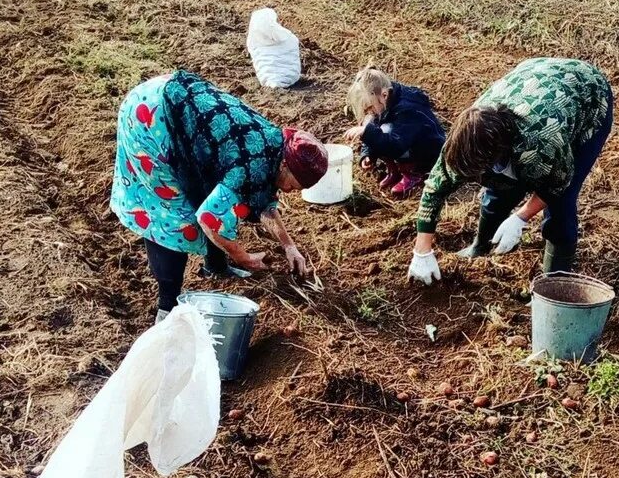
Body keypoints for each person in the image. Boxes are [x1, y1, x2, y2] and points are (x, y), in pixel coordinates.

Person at [110, 70, 328, 320]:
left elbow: (264, 203)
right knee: (174, 215)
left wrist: (289, 246)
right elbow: (210, 219)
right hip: (150, 118)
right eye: (295, 185)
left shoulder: (274, 145)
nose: (291, 191)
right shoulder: (251, 166)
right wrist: (242, 257)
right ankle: (166, 307)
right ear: (285, 166)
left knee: (208, 191)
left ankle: (216, 266)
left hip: (171, 99)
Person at [407, 58, 613, 285]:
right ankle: (481, 245)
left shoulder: (539, 142)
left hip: (587, 95)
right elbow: (434, 189)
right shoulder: (463, 141)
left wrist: (521, 217)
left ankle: (553, 282)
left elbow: (558, 183)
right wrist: (422, 252)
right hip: (533, 78)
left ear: (500, 152)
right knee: (497, 192)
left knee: (560, 208)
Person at [343, 66, 446, 199]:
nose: (370, 111)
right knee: (373, 126)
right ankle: (395, 170)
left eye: (370, 107)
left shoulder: (407, 110)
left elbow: (396, 146)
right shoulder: (384, 102)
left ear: (384, 95)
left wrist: (366, 133)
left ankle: (414, 173)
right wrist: (368, 153)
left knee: (383, 131)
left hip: (426, 152)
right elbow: (373, 126)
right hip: (402, 142)